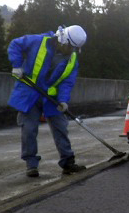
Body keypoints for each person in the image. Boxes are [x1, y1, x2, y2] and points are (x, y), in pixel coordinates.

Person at [7, 25, 88, 177]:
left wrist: (63, 101)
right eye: (70, 46)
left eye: (74, 48)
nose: (71, 50)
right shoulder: (39, 41)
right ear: (63, 39)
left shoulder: (72, 59)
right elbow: (15, 44)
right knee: (29, 129)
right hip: (30, 92)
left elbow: (67, 82)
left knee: (60, 127)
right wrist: (16, 65)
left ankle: (68, 162)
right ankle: (31, 164)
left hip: (51, 97)